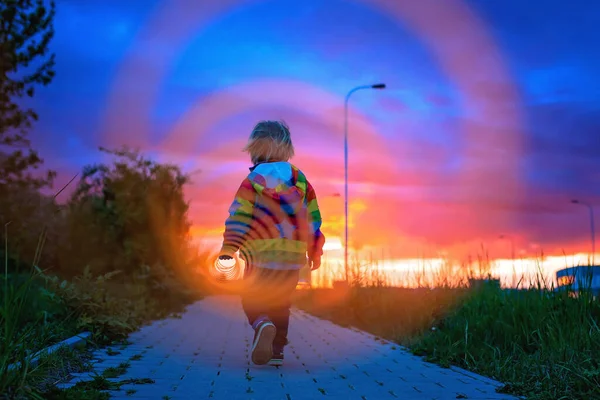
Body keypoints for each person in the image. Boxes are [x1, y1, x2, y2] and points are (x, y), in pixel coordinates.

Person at [218, 120, 325, 366]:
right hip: (292, 256)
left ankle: (262, 324)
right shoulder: (299, 180)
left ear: (255, 148)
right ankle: (277, 351)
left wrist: (229, 249)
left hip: (260, 252)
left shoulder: (253, 180)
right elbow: (313, 218)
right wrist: (314, 251)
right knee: (281, 302)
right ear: (287, 148)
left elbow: (240, 216)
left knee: (252, 298)